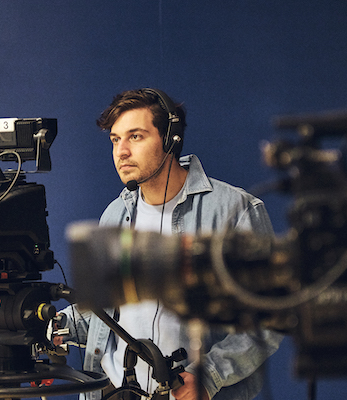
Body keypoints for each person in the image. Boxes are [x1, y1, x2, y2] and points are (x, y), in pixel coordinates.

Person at [56, 88, 283, 400]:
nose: (121, 151)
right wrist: (60, 324)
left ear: (170, 139)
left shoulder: (236, 211)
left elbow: (268, 319)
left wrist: (210, 376)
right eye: (115, 139)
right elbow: (107, 313)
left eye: (135, 136)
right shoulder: (115, 214)